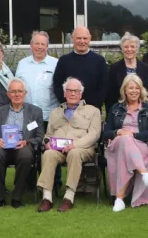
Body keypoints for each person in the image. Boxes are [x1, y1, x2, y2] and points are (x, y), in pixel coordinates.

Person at [37, 77, 103, 213]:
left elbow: (94, 134)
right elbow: (48, 134)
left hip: (82, 148)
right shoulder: (55, 112)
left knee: (74, 153)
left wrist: (76, 144)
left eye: (76, 91)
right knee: (48, 154)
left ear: (81, 94)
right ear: (64, 93)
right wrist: (47, 143)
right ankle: (47, 198)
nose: (72, 94)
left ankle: (69, 197)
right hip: (58, 149)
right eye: (69, 91)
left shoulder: (93, 111)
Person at [0, 78, 44, 209]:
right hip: (2, 146)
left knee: (26, 156)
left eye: (20, 91)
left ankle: (17, 197)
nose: (17, 95)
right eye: (13, 91)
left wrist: (27, 141)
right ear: (8, 94)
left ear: (25, 93)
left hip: (23, 146)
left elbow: (39, 136)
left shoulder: (35, 112)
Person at [102, 74, 148, 212]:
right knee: (125, 140)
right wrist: (118, 132)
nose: (134, 91)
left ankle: (120, 199)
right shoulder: (116, 108)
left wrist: (133, 135)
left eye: (137, 88)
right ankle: (144, 173)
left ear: (141, 90)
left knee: (126, 145)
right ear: (125, 90)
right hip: (117, 144)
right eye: (130, 88)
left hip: (141, 144)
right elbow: (106, 133)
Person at [52, 26, 109, 109]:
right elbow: (57, 85)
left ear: (90, 39)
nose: (82, 41)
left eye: (85, 38)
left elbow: (104, 86)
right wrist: (69, 104)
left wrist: (93, 107)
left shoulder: (99, 61)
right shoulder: (63, 61)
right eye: (79, 38)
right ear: (73, 38)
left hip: (92, 111)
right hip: (69, 111)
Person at [15, 31, 59, 124]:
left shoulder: (56, 64)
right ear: (31, 45)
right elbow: (16, 88)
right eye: (37, 43)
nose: (39, 47)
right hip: (26, 116)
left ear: (47, 46)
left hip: (49, 117)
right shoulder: (22, 64)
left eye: (43, 44)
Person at [107, 33, 148, 106]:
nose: (129, 49)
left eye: (132, 47)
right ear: (122, 50)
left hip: (143, 111)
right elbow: (110, 94)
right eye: (126, 47)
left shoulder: (146, 69)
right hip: (120, 110)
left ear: (137, 49)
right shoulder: (114, 69)